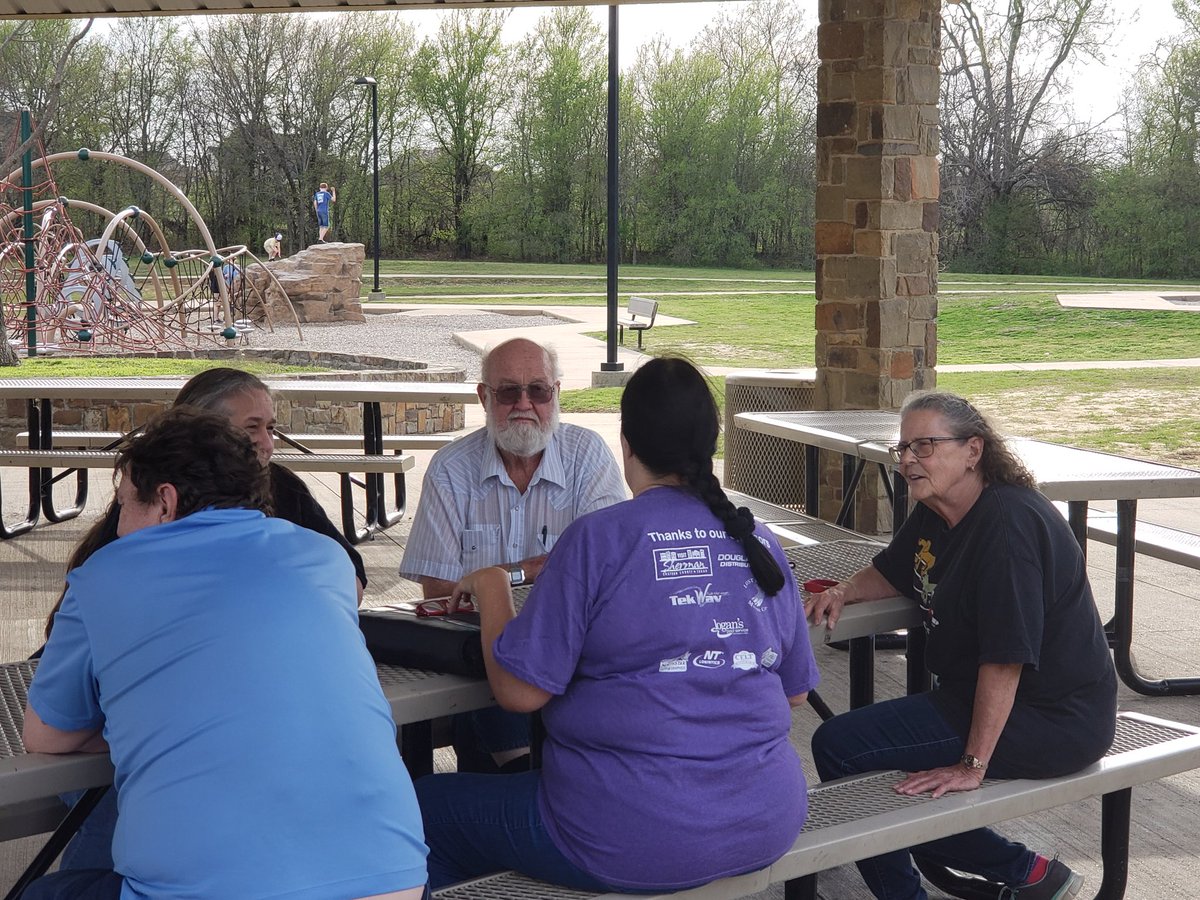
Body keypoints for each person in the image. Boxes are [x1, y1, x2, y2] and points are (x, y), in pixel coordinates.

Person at [415, 356, 819, 892]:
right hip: (769, 818)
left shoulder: (597, 539)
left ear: (626, 445)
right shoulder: (759, 540)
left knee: (420, 811)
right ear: (710, 445)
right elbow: (795, 693)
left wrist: (492, 588)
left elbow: (519, 693)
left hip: (626, 832)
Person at [21, 407, 428, 900]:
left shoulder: (102, 576)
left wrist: (144, 729)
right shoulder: (327, 558)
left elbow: (45, 734)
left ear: (165, 501)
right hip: (395, 879)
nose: (119, 527)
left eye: (124, 505)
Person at [806, 390, 1117, 900]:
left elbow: (1005, 660)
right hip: (974, 698)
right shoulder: (940, 507)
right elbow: (893, 570)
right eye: (903, 448)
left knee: (844, 750)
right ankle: (1030, 874)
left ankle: (1012, 872)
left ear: (973, 450)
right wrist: (843, 591)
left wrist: (971, 766)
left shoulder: (1007, 528)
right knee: (872, 763)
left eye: (924, 446)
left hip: (1052, 718)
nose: (908, 460)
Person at [399, 336, 625, 771]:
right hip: (484, 659)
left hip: (572, 655)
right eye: (507, 392)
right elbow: (439, 591)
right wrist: (529, 570)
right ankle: (524, 778)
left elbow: (607, 572)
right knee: (491, 684)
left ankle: (525, 781)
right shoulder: (450, 469)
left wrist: (492, 581)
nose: (524, 404)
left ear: (556, 393)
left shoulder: (587, 456)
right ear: (484, 397)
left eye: (537, 390)